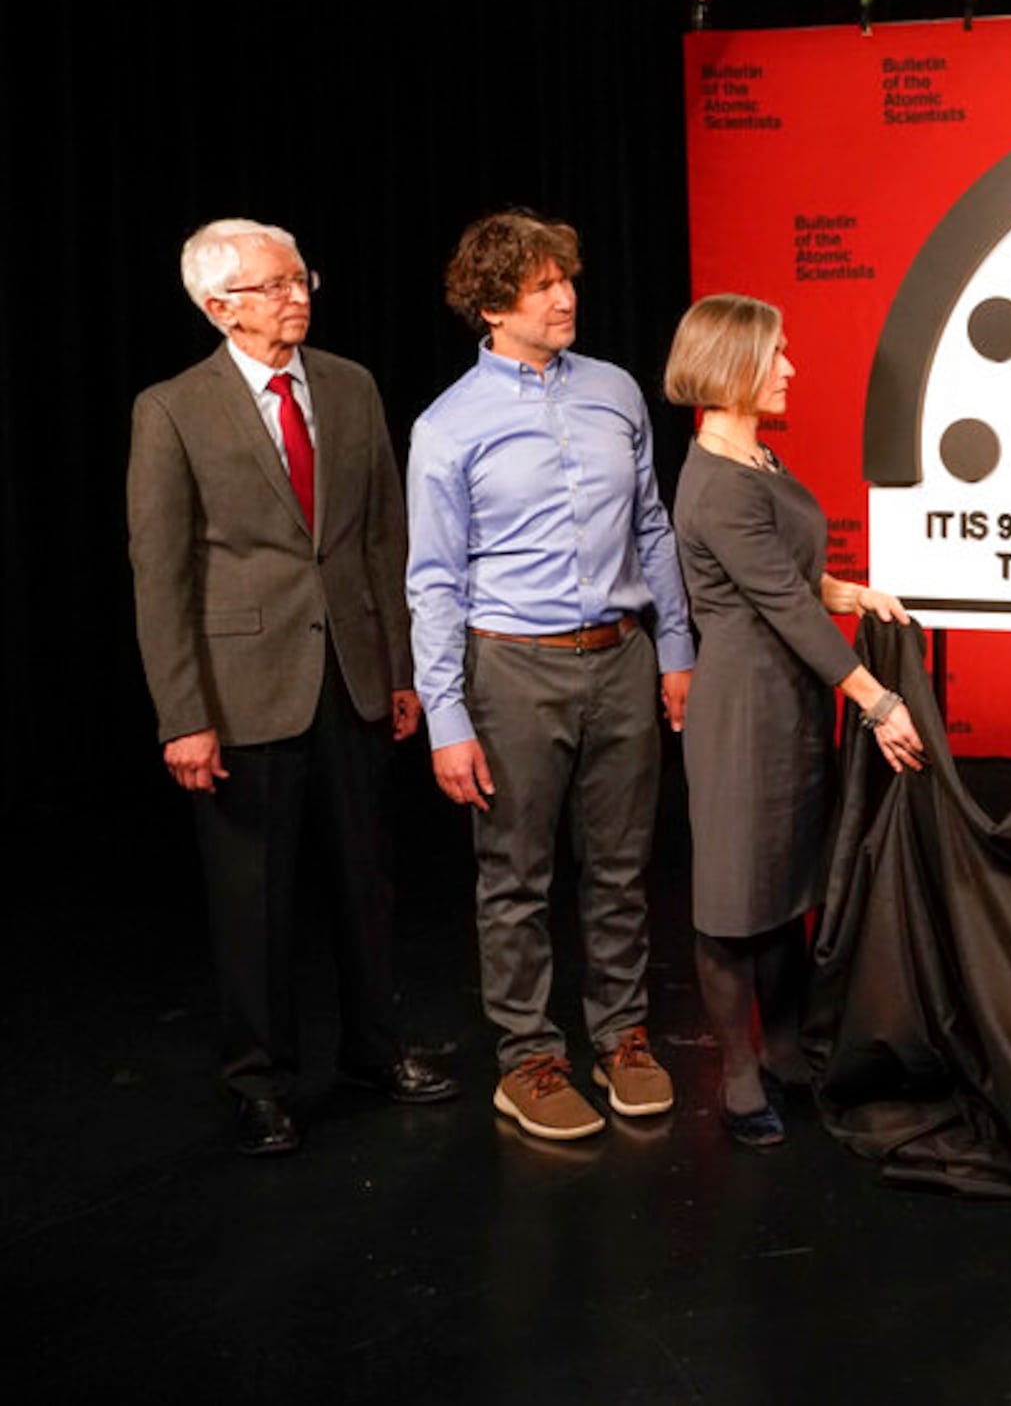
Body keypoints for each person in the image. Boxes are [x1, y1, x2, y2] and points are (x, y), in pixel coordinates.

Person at [128, 218, 461, 1157]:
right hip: (241, 692)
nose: (296, 295)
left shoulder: (350, 388)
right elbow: (162, 576)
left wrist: (400, 670)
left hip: (352, 675)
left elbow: (383, 539)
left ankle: (375, 1049)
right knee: (256, 898)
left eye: (299, 277)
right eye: (273, 286)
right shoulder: (174, 409)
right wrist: (183, 717)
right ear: (219, 307)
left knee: (367, 882)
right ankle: (260, 1080)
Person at [406, 210, 695, 1142]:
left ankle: (622, 1036)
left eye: (566, 278)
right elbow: (434, 579)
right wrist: (447, 715)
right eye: (540, 286)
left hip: (621, 658)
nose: (565, 297)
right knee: (517, 877)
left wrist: (677, 648)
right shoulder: (448, 426)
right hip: (512, 672)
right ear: (493, 306)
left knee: (621, 868)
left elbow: (651, 526)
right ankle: (528, 1055)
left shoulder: (613, 390)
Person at [663, 294, 925, 1148]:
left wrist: (851, 592)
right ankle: (738, 1076)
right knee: (734, 899)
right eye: (776, 356)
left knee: (781, 888)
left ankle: (780, 1048)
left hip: (789, 701)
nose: (790, 369)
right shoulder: (716, 480)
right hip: (744, 709)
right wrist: (877, 700)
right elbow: (778, 601)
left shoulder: (758, 462)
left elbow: (787, 577)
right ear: (734, 365)